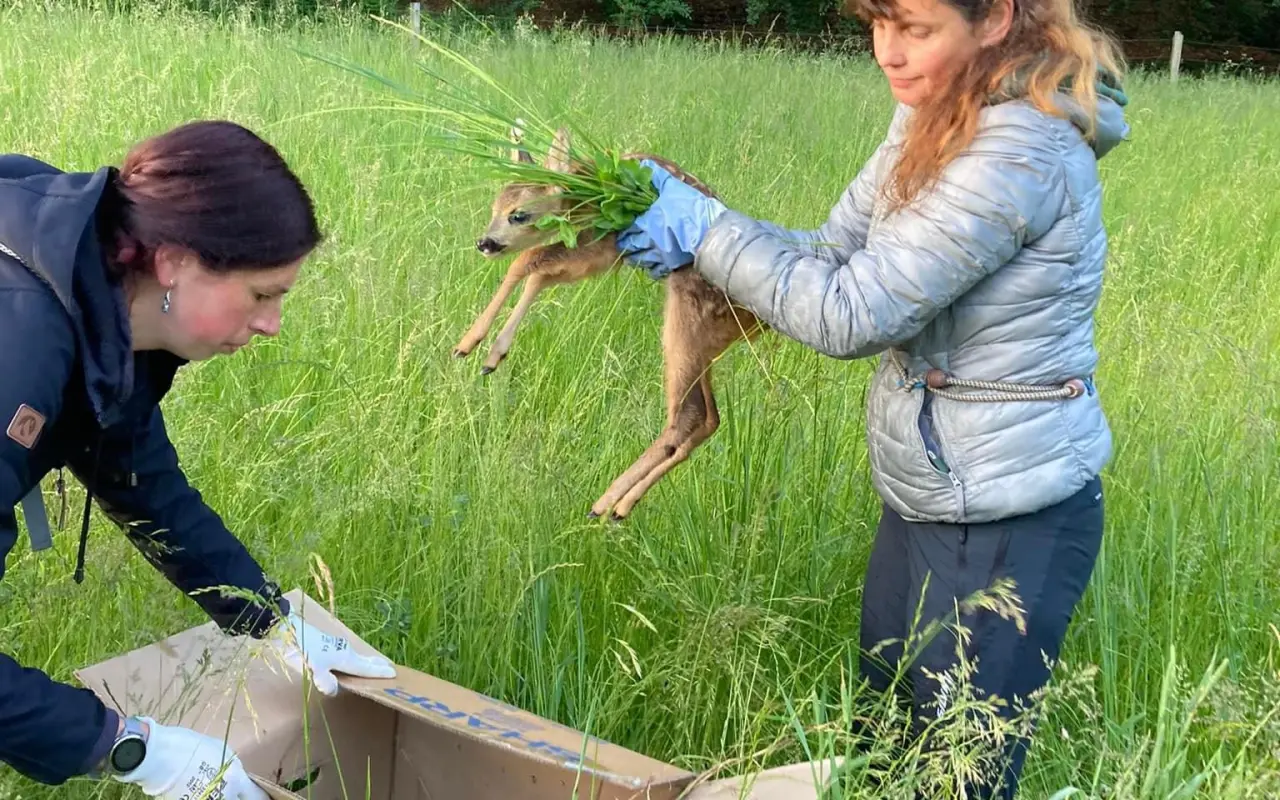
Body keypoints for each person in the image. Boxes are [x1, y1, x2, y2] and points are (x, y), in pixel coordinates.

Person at [617, 0, 1129, 796]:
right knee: (881, 755)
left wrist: (707, 230)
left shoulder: (1022, 150)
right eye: (876, 24)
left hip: (1006, 514)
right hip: (927, 493)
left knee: (953, 778)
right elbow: (830, 255)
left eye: (914, 29)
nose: (887, 52)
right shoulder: (932, 111)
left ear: (996, 18)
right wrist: (699, 254)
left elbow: (853, 313)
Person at [0, 120, 397, 799]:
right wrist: (129, 748)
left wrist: (269, 618)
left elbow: (140, 480)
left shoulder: (102, 299)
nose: (272, 324)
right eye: (262, 293)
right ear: (174, 262)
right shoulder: (19, 351)